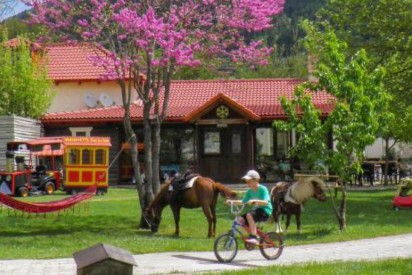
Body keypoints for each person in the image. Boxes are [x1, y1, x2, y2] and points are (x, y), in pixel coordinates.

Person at [226, 169, 272, 244]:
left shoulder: (263, 189)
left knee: (249, 215)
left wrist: (255, 201)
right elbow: (243, 201)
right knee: (240, 220)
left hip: (265, 211)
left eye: (249, 181)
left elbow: (266, 202)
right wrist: (232, 202)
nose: (247, 182)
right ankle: (254, 234)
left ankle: (254, 237)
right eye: (246, 181)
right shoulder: (249, 191)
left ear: (256, 180)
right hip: (257, 210)